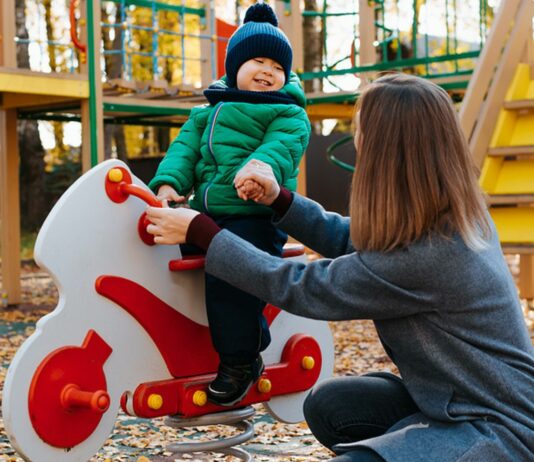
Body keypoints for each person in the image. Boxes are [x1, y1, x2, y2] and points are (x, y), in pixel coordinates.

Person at [145, 73, 534, 461]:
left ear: (388, 151)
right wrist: (281, 201)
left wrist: (205, 234)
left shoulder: (431, 255)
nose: (357, 143)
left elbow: (302, 286)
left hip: (498, 429)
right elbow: (352, 240)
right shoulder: (454, 215)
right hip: (447, 399)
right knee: (331, 406)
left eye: (361, 132)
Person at [147, 2, 311, 406]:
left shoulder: (288, 113)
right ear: (234, 65)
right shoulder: (208, 112)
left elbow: (282, 149)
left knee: (230, 270)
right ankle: (159, 340)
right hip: (204, 215)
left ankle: (240, 359)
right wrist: (169, 185)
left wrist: (260, 171)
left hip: (253, 217)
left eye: (277, 66)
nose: (268, 70)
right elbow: (183, 151)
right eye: (258, 60)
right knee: (152, 250)